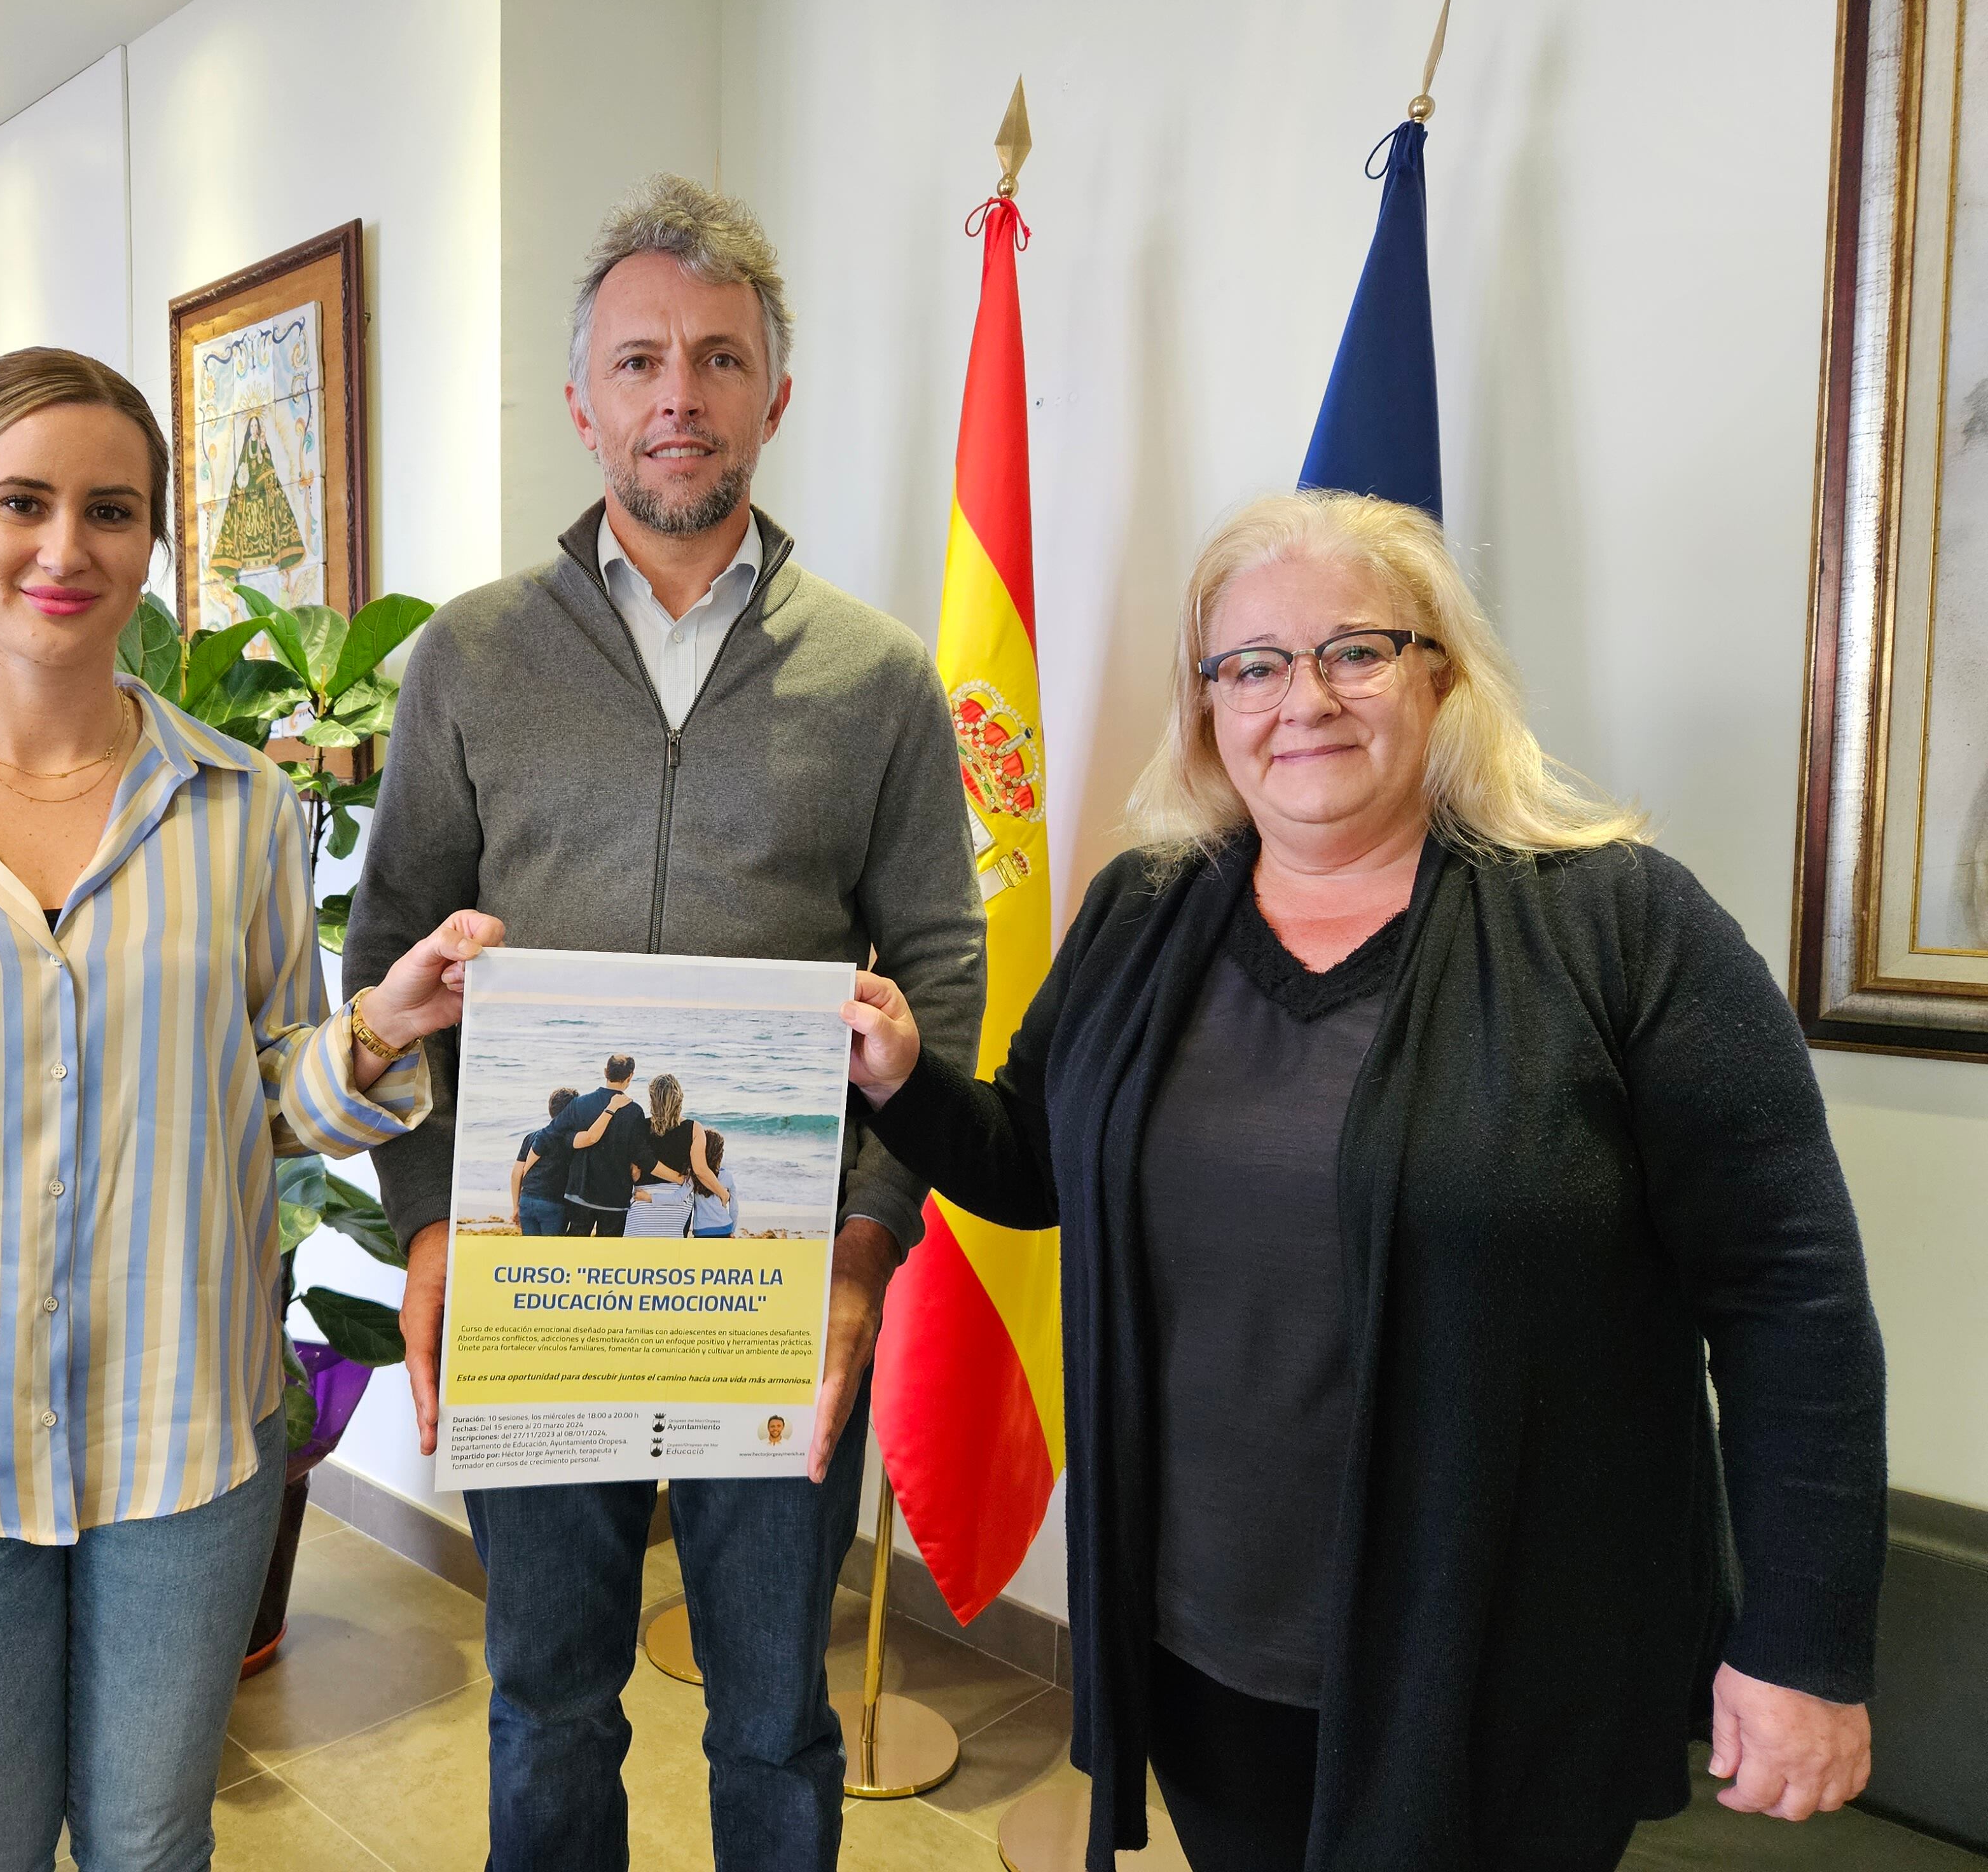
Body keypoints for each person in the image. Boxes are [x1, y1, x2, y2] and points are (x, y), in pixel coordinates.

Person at [838, 491, 1887, 1872]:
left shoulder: (1620, 925)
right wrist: (904, 1080)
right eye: (1252, 665)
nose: (1302, 699)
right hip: (1203, 1644)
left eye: (1355, 650)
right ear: (1207, 704)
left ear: (1440, 672)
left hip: (1503, 1664)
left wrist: (1801, 1643)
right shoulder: (1142, 914)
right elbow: (1035, 1164)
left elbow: (1786, 1297)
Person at [0, 345, 500, 1872]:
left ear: (152, 545)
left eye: (111, 511)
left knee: (151, 1843)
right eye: (22, 501)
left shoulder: (241, 806)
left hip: (181, 1444)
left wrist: (385, 1023)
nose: (66, 549)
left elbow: (273, 1096)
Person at [345, 174, 984, 1871]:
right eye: (639, 362)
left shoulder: (878, 679)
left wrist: (862, 1253)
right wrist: (421, 1230)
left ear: (777, 395)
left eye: (718, 358)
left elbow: (941, 975)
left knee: (773, 1709)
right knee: (550, 1692)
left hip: (769, 1292)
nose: (678, 395)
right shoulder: (471, 662)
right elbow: (393, 952)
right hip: (532, 1273)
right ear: (584, 403)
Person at [557, 1053, 656, 1235]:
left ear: (605, 1072)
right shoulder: (634, 1111)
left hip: (580, 1191)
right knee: (608, 1254)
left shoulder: (581, 1104)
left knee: (574, 1250)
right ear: (631, 1076)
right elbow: (637, 1162)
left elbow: (565, 1141)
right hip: (615, 1197)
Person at [625, 1073, 711, 1235]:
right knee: (673, 1256)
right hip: (678, 1202)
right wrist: (722, 1193)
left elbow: (635, 1173)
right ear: (679, 1098)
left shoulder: (640, 1127)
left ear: (653, 1099)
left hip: (644, 1199)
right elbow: (700, 1171)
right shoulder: (694, 1128)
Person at [508, 1085, 581, 1231]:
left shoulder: (532, 1137)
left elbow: (517, 1173)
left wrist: (516, 1206)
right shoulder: (572, 1140)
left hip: (527, 1201)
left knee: (531, 1252)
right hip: (554, 1203)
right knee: (551, 1252)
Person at [691, 1127, 738, 1237]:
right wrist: (733, 1230)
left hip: (701, 1229)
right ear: (720, 1153)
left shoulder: (695, 1175)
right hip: (725, 1227)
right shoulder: (727, 1176)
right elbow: (734, 1208)